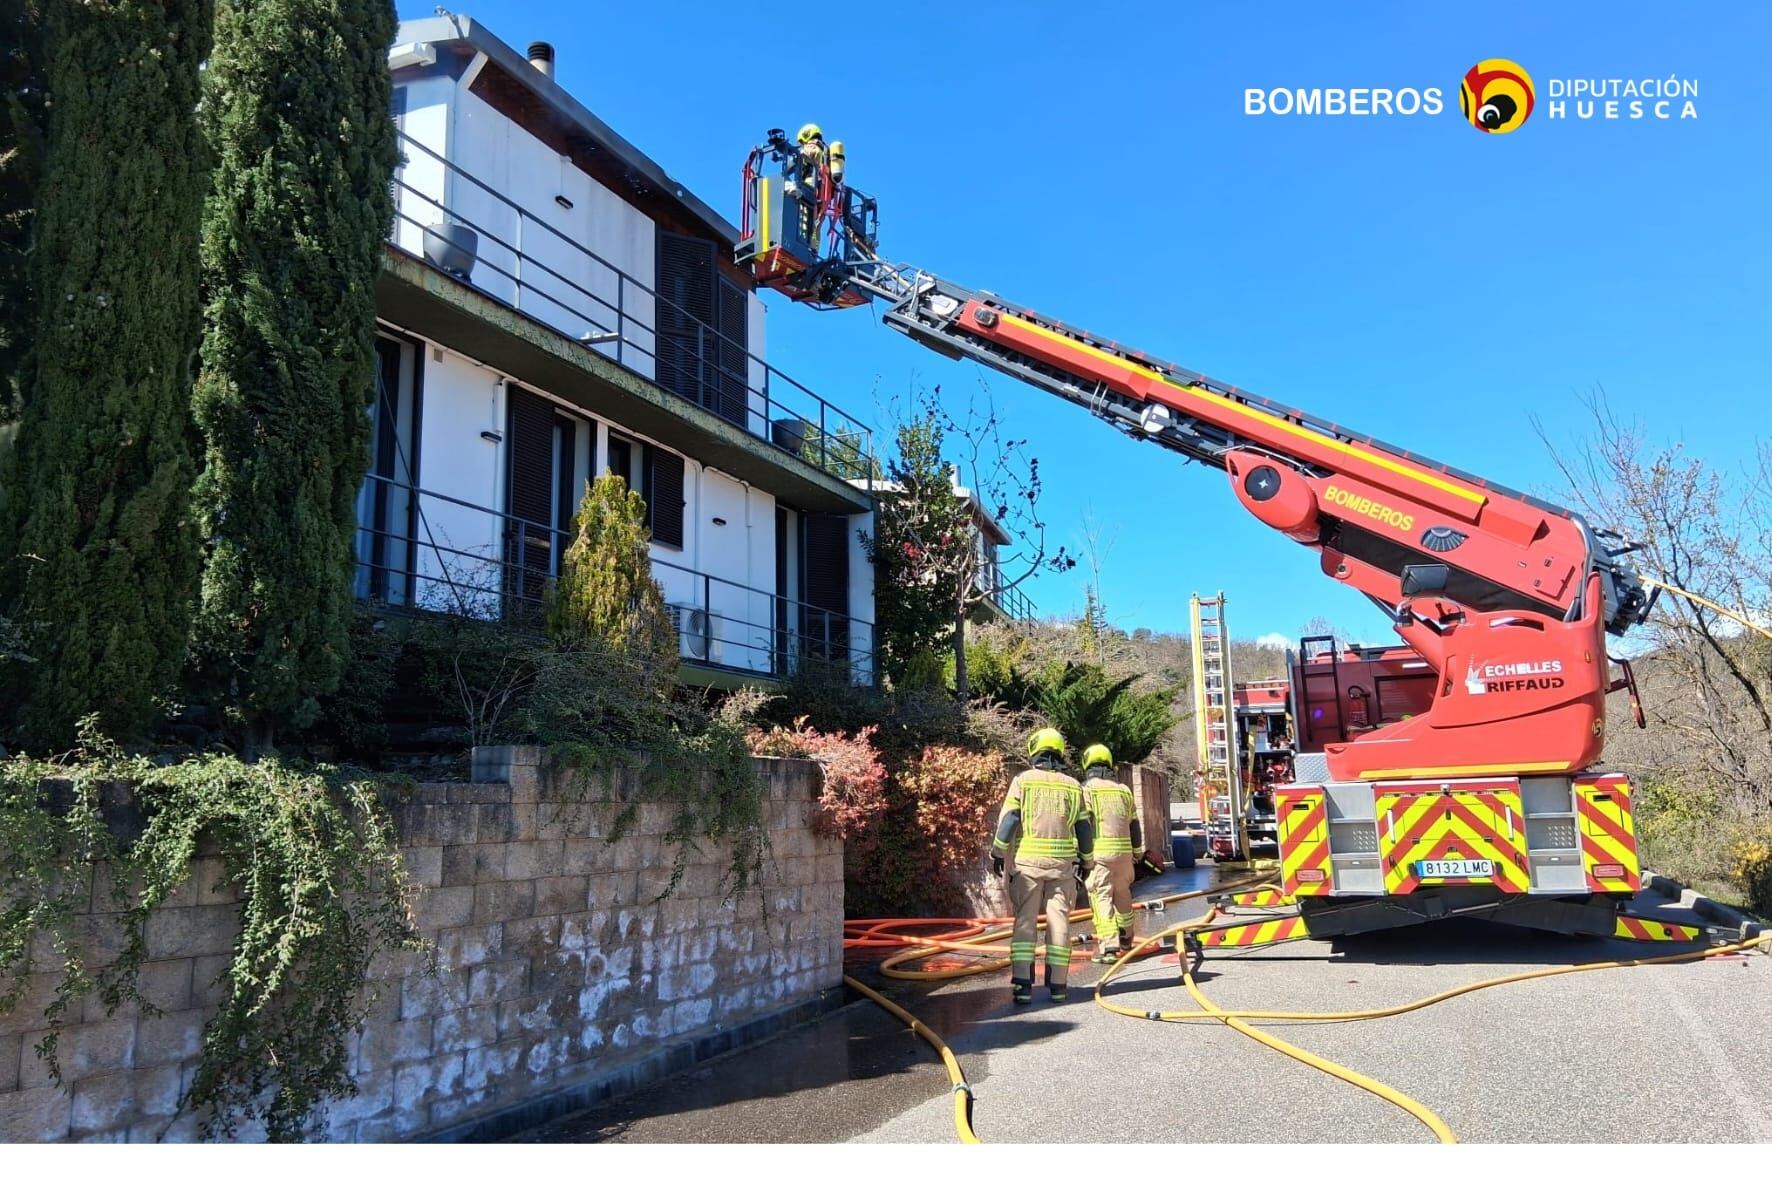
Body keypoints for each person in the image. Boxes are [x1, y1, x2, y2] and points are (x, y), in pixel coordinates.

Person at [991, 728, 1093, 1004]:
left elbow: (1011, 819)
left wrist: (998, 852)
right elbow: (1084, 828)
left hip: (1029, 866)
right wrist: (1087, 861)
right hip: (1062, 868)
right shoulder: (1073, 785)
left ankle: (1023, 986)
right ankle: (1059, 986)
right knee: (1059, 923)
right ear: (1059, 752)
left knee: (1025, 923)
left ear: (1034, 749)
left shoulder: (1023, 781)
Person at [1079, 744, 1143, 963]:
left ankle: (1109, 948)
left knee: (1101, 897)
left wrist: (1082, 856)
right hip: (1124, 855)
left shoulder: (1088, 789)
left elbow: (1085, 824)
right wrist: (1137, 852)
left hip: (1100, 855)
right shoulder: (1124, 790)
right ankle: (1127, 939)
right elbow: (1135, 825)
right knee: (1123, 895)